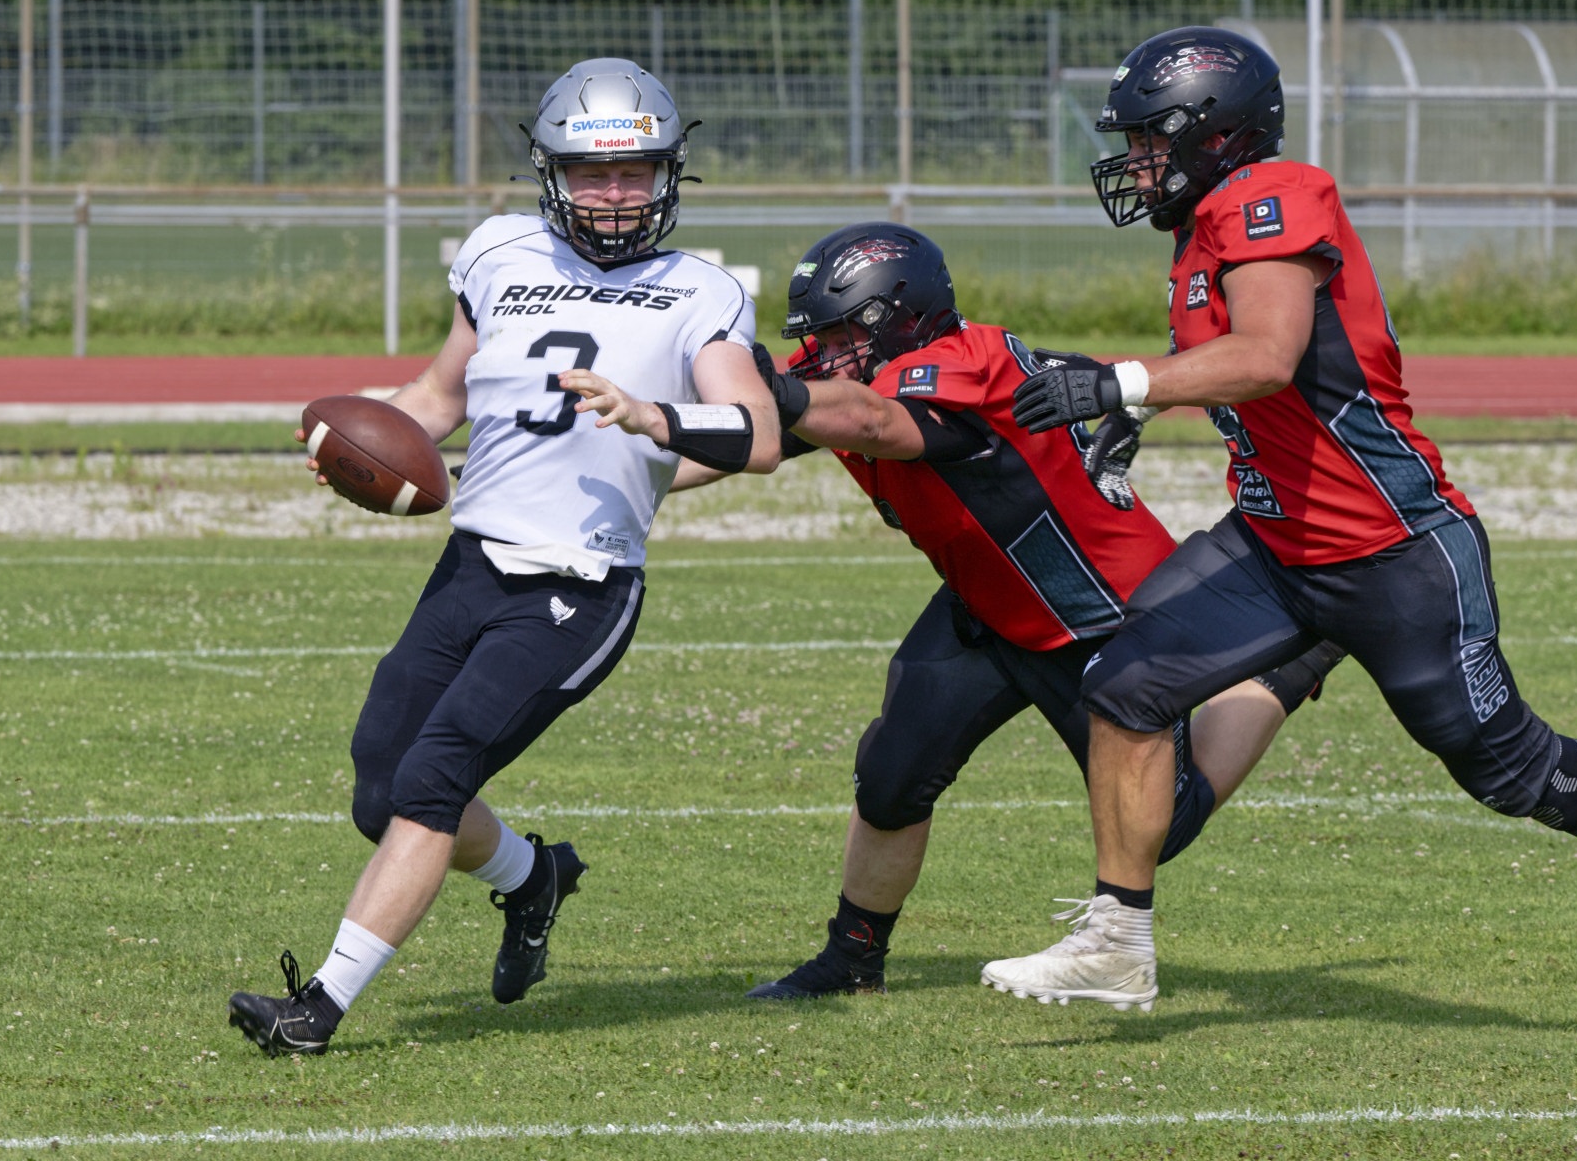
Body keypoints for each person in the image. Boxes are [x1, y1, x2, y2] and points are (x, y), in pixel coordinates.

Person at [980, 26, 1577, 1010]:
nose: (1136, 162)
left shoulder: (1271, 195)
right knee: (1125, 684)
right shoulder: (1203, 229)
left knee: (1508, 766)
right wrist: (1138, 405)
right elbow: (1254, 382)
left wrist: (1121, 381)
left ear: (1215, 134)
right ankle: (1116, 940)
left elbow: (1268, 353)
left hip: (1392, 549)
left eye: (1149, 139)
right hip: (1277, 543)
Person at [568, 221, 1342, 1004]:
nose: (823, 355)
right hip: (985, 603)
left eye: (842, 336)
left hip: (1097, 618)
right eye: (819, 339)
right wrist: (627, 473)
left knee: (1159, 824)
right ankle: (852, 960)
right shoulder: (852, 370)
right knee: (891, 777)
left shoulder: (966, 365)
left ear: (902, 317)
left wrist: (775, 393)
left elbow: (872, 420)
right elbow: (753, 431)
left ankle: (1287, 668)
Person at [227, 58, 782, 1056]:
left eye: (635, 172)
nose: (614, 194)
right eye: (590, 173)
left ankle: (317, 1008)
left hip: (580, 585)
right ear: (551, 173)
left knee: (434, 779)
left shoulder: (700, 291)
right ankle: (534, 877)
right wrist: (352, 436)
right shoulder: (496, 251)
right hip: (472, 563)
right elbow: (439, 398)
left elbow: (760, 430)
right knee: (381, 788)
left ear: (668, 174)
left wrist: (650, 416)